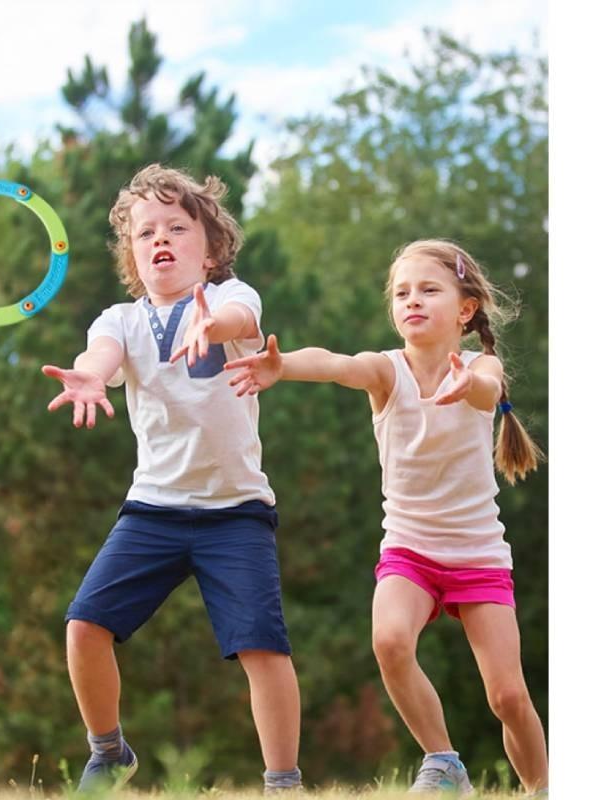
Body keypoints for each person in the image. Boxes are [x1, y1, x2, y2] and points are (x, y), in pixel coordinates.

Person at [224, 240, 548, 796]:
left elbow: (489, 388)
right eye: (401, 293)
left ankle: (541, 786)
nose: (412, 301)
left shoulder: (479, 365)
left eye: (428, 290)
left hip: (477, 554)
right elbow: (334, 363)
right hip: (409, 550)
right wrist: (284, 366)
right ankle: (443, 761)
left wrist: (469, 386)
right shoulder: (386, 370)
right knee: (390, 642)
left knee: (508, 697)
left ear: (465, 310)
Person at [41, 164, 302, 793]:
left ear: (209, 249)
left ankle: (283, 781)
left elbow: (241, 320)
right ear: (132, 254)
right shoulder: (120, 321)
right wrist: (91, 376)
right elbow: (98, 355)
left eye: (177, 228)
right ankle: (109, 753)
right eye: (145, 232)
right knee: (84, 628)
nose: (160, 239)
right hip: (153, 510)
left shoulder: (234, 298)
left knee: (262, 649)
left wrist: (212, 325)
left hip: (235, 511)